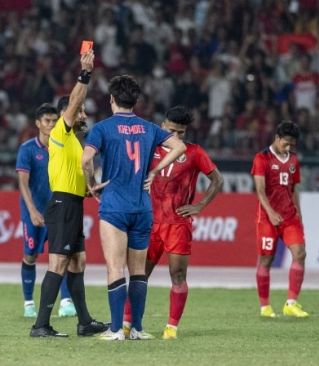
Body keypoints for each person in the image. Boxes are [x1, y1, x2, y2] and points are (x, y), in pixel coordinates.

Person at [82, 75, 186, 341]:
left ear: (112, 99)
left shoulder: (103, 128)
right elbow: (179, 146)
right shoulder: (149, 128)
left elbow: (86, 159)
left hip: (115, 206)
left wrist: (92, 184)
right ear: (136, 100)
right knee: (138, 271)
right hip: (142, 208)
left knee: (115, 268)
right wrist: (156, 170)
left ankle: (117, 329)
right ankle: (137, 329)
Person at [122, 106, 223, 340]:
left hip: (177, 224)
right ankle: (128, 324)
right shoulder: (148, 148)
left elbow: (217, 180)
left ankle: (171, 328)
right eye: (171, 131)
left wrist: (199, 206)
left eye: (181, 133)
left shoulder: (195, 153)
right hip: (148, 222)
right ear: (162, 127)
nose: (176, 137)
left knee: (177, 276)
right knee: (138, 275)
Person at [29, 51, 107, 338]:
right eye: (81, 111)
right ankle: (40, 325)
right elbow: (74, 102)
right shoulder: (61, 133)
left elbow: (75, 173)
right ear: (68, 114)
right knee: (58, 263)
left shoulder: (74, 141)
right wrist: (84, 74)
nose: (84, 115)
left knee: (77, 262)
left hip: (72, 203)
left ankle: (84, 322)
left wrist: (89, 188)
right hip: (62, 205)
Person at [17, 103, 77, 318]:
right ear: (38, 123)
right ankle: (28, 304)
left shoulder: (62, 145)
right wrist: (32, 211)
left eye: (54, 121)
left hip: (58, 212)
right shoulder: (28, 150)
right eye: (47, 121)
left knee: (62, 255)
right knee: (30, 256)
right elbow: (23, 183)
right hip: (33, 213)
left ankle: (66, 302)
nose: (51, 124)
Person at [251, 121, 309, 318]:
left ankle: (291, 303)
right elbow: (259, 190)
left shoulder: (293, 160)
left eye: (292, 144)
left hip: (290, 217)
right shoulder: (262, 158)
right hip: (267, 218)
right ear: (277, 138)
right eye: (286, 143)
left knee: (300, 254)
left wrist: (299, 212)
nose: (289, 147)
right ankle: (265, 306)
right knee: (266, 260)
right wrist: (270, 212)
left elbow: (294, 188)